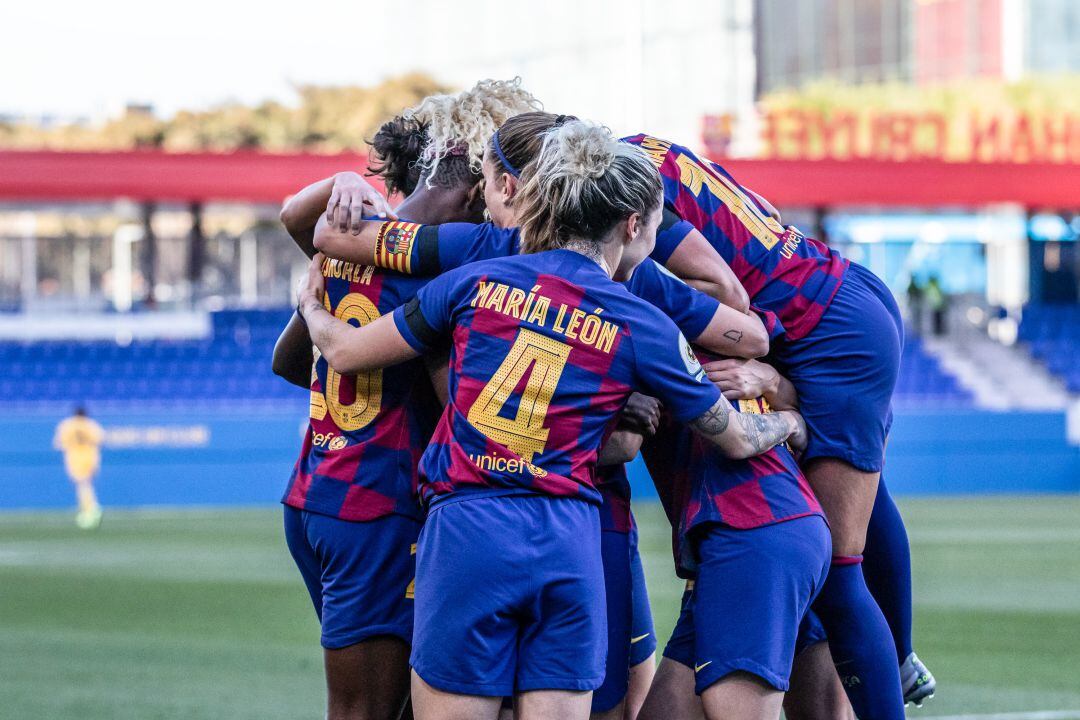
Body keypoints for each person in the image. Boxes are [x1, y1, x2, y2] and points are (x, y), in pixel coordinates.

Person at [296, 120, 806, 720]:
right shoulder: (644, 323)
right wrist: (790, 420)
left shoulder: (473, 280)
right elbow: (741, 436)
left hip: (467, 530)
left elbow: (346, 351)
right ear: (632, 224)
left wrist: (311, 310)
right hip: (569, 540)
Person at [625, 132, 934, 715]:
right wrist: (779, 391)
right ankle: (900, 652)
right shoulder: (639, 147)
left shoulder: (613, 190)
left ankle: (896, 659)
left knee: (842, 569)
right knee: (861, 495)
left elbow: (730, 296)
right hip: (827, 298)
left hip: (822, 325)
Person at [273, 78, 542, 720]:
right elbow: (463, 406)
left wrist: (320, 314)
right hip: (380, 509)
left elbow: (287, 362)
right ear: (483, 186)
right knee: (370, 711)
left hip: (317, 494)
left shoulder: (354, 237)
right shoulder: (443, 269)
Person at [635, 351, 843, 720]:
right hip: (762, 533)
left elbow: (737, 438)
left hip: (752, 532)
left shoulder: (652, 328)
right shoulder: (730, 332)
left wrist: (789, 417)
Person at [53, 406, 105, 529]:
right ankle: (88, 509)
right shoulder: (91, 424)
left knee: (82, 484)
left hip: (74, 457)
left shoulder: (67, 425)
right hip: (90, 456)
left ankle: (91, 509)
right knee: (86, 483)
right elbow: (101, 440)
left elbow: (58, 443)